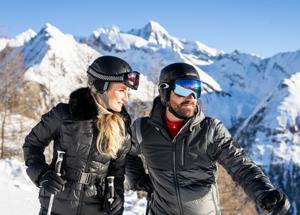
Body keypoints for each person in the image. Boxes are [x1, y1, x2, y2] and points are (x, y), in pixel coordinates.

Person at [126, 62, 291, 215]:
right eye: (183, 89)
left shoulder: (211, 131)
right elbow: (126, 151)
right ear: (165, 91)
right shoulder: (142, 129)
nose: (191, 97)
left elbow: (241, 166)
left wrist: (264, 192)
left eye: (195, 89)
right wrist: (137, 178)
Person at [23, 55, 140, 215]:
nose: (126, 98)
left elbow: (117, 172)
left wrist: (117, 196)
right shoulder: (64, 114)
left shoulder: (121, 130)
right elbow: (32, 144)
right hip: (56, 206)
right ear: (102, 87)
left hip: (96, 209)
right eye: (121, 90)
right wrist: (42, 174)